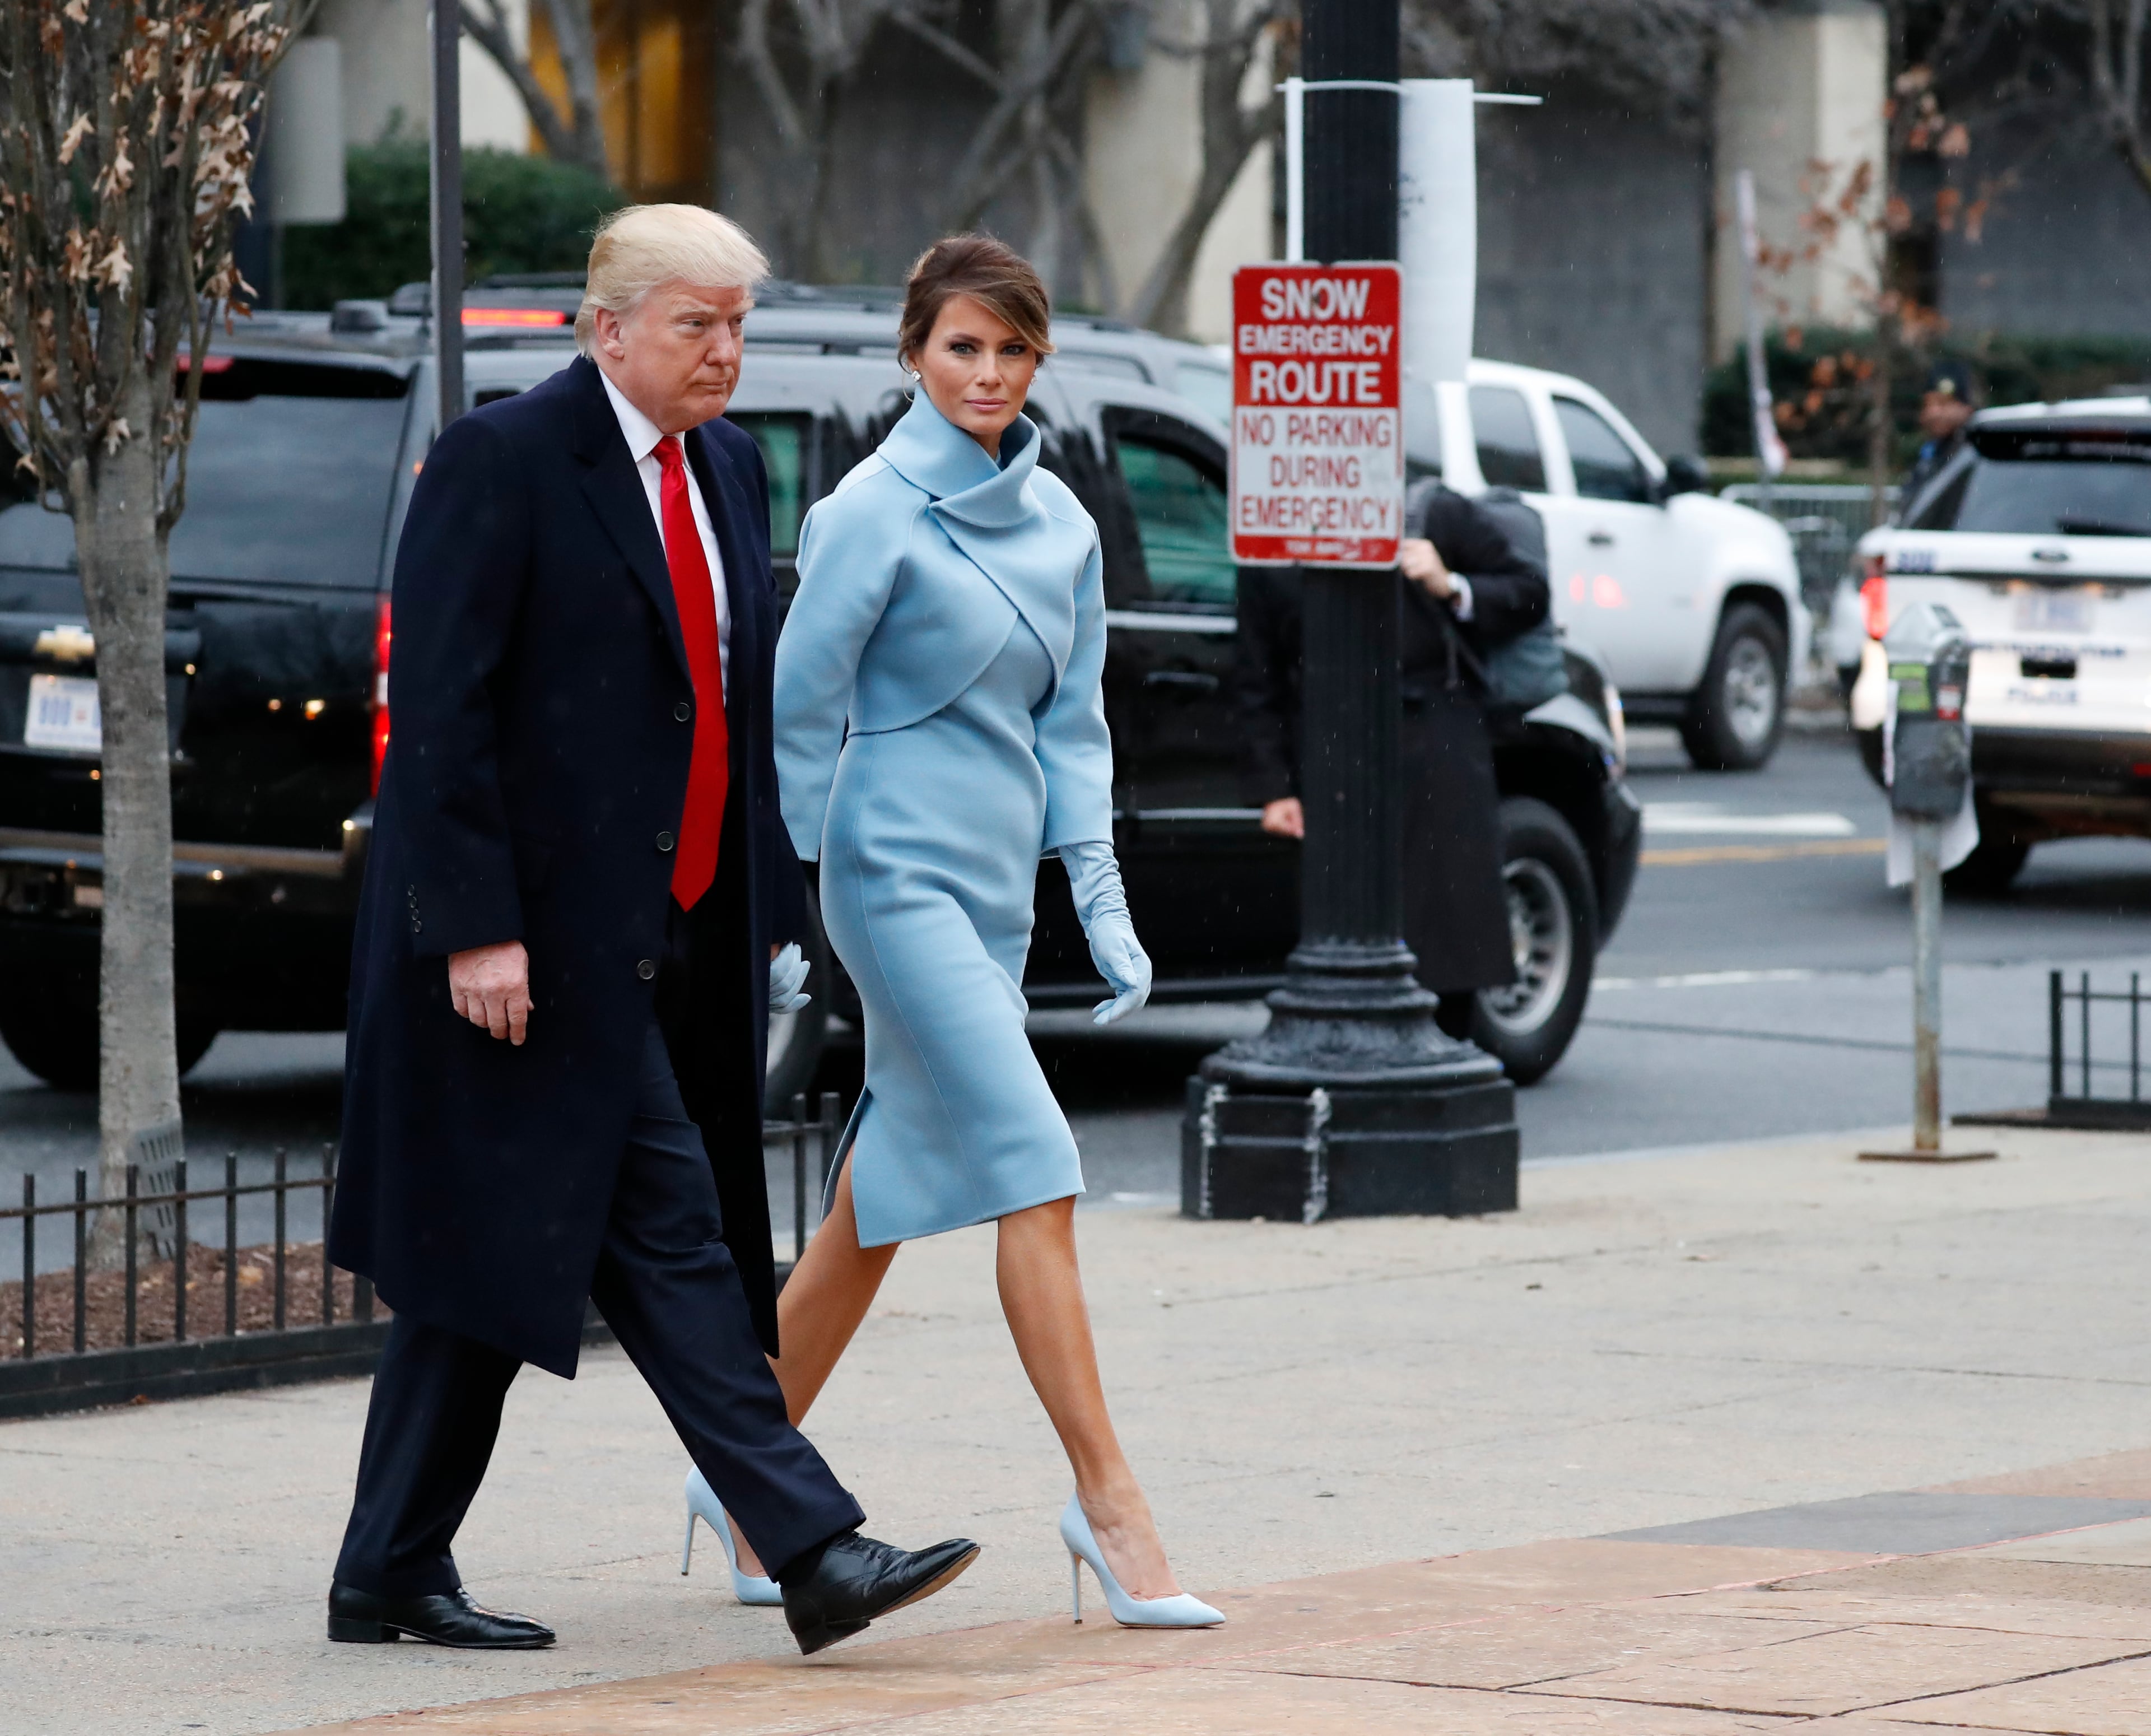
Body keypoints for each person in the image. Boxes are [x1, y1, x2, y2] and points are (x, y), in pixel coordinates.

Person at [324, 204, 978, 1659]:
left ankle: (384, 1565)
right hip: (528, 960)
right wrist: (474, 934)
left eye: (739, 326)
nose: (725, 353)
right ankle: (813, 1545)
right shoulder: (501, 464)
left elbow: (724, 711)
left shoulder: (731, 469)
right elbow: (437, 722)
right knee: (669, 1235)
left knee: (494, 1255)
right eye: (698, 325)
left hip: (670, 941)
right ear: (606, 328)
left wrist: (767, 919)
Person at [747, 234, 1221, 1631]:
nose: (989, 373)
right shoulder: (865, 512)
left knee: (875, 1203)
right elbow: (796, 708)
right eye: (963, 345)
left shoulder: (1065, 524)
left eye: (1013, 350)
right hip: (886, 870)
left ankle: (742, 1467)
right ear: (912, 351)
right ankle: (1108, 1497)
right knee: (1036, 1161)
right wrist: (798, 891)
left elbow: (1073, 727)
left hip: (993, 877)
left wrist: (1106, 899)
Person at [1235, 483, 1551, 1008]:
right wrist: (1274, 787)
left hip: (1435, 739)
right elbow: (1256, 676)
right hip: (1332, 754)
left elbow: (1530, 592)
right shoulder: (1274, 529)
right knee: (1345, 945)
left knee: (1448, 945)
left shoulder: (1428, 510)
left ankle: (1448, 1065)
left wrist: (1453, 585)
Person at [1901, 359, 1977, 509]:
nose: (1933, 412)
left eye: (1943, 404)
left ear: (1966, 408)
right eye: (1927, 405)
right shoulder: (1930, 453)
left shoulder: (1979, 453)